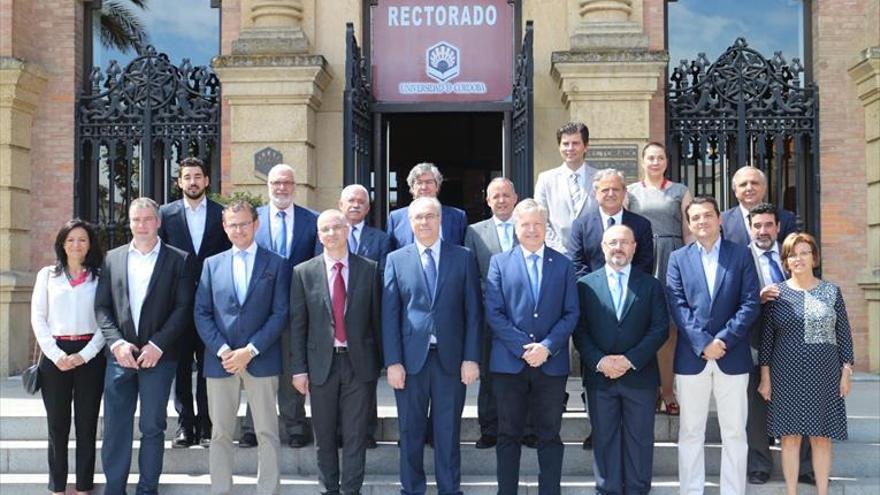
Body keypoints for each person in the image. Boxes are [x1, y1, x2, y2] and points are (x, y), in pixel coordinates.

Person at [382, 196, 482, 495]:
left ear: (440, 220)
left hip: (451, 361)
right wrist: (393, 362)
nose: (424, 222)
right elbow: (390, 315)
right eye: (418, 218)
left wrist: (471, 358)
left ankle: (449, 489)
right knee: (410, 432)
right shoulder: (396, 260)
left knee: (448, 432)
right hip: (410, 363)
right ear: (410, 223)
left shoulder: (463, 257)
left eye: (429, 217)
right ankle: (412, 489)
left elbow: (474, 313)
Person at [95, 197, 194, 495]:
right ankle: (115, 489)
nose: (142, 225)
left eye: (148, 219)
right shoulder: (113, 258)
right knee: (116, 428)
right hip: (120, 358)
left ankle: (147, 490)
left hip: (158, 359)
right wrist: (116, 344)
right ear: (129, 222)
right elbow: (102, 308)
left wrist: (158, 345)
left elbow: (183, 307)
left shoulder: (179, 259)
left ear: (158, 221)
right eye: (136, 220)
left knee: (152, 427)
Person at [665, 196, 760, 495]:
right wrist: (703, 342)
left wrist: (723, 340)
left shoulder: (741, 255)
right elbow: (677, 306)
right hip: (692, 357)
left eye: (708, 216)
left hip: (732, 356)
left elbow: (749, 302)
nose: (702, 222)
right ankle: (691, 490)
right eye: (696, 218)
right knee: (691, 431)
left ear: (720, 219)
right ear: (689, 224)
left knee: (734, 431)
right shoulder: (678, 258)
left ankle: (733, 490)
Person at [194, 199, 288, 495]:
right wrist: (223, 351)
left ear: (255, 225)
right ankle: (221, 490)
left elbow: (280, 313)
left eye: (244, 224)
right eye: (232, 225)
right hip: (220, 361)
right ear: (224, 228)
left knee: (267, 433)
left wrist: (251, 350)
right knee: (220, 432)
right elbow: (202, 312)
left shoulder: (276, 263)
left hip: (261, 358)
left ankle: (268, 491)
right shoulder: (212, 264)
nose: (238, 230)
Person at [484, 198, 579, 494]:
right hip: (509, 365)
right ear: (515, 227)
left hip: (551, 365)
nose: (532, 230)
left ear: (546, 227)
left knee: (549, 434)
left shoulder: (563, 265)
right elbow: (493, 312)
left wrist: (547, 347)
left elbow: (571, 312)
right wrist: (525, 348)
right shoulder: (499, 262)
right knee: (508, 434)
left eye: (538, 224)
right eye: (525, 224)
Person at [290, 209, 382, 495]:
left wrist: (384, 363)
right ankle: (328, 489)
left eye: (336, 228)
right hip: (321, 365)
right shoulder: (303, 272)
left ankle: (351, 490)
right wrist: (299, 368)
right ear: (319, 235)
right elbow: (298, 325)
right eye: (325, 229)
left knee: (355, 436)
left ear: (347, 230)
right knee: (325, 436)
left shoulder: (370, 268)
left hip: (359, 365)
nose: (331, 234)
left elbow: (378, 321)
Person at [574, 224, 669, 495]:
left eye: (625, 242)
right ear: (603, 247)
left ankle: (638, 490)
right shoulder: (585, 285)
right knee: (604, 439)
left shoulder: (650, 285)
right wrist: (600, 361)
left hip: (640, 377)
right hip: (600, 378)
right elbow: (579, 330)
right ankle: (607, 490)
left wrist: (629, 360)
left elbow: (660, 328)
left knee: (640, 440)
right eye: (613, 242)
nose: (618, 247)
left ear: (634, 248)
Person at [758, 232, 854, 495]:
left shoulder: (831, 292)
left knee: (821, 438)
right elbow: (767, 340)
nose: (798, 258)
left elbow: (843, 334)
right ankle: (792, 492)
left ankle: (822, 492)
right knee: (789, 438)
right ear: (786, 261)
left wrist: (846, 371)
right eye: (792, 254)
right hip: (785, 372)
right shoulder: (776, 295)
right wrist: (765, 377)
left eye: (803, 252)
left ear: (814, 257)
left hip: (824, 372)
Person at [242, 163, 320, 449]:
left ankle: (295, 425)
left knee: (292, 366)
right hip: (259, 309)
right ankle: (251, 426)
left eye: (287, 183)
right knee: (256, 365)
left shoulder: (312, 220)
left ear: (295, 186)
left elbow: (316, 267)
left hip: (296, 306)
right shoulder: (254, 219)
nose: (281, 188)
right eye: (276, 183)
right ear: (268, 185)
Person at [158, 156, 231, 447]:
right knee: (181, 364)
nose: (193, 182)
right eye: (187, 177)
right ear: (179, 182)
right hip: (179, 302)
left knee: (209, 364)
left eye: (198, 176)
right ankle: (185, 424)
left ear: (207, 180)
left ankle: (207, 423)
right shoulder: (166, 214)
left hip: (213, 304)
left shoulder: (221, 214)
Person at [30, 219, 106, 495]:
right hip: (55, 355)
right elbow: (38, 317)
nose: (77, 245)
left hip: (90, 355)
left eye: (82, 240)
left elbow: (105, 320)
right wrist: (55, 354)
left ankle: (84, 486)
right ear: (62, 244)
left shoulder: (100, 276)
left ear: (90, 245)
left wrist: (85, 355)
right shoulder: (47, 275)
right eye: (71, 240)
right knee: (57, 426)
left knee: (86, 425)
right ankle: (58, 487)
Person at [744, 203, 813, 485]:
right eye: (757, 225)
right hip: (755, 337)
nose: (763, 230)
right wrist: (757, 297)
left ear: (778, 227)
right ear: (750, 228)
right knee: (757, 402)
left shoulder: (791, 257)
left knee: (801, 400)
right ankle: (760, 465)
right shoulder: (740, 257)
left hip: (793, 340)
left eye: (768, 225)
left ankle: (805, 467)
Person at [626, 141, 692, 417]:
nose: (655, 162)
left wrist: (690, 263)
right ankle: (649, 390)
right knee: (644, 327)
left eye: (660, 157)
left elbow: (688, 230)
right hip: (643, 258)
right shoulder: (630, 192)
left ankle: (668, 390)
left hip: (673, 256)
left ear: (667, 161)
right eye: (650, 157)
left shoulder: (680, 190)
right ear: (643, 161)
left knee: (671, 329)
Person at [463, 177, 520, 449]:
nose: (501, 200)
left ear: (515, 198)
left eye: (506, 195)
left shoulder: (528, 227)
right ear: (488, 200)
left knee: (526, 372)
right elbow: (471, 275)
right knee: (489, 374)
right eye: (495, 196)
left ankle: (528, 428)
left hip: (523, 314)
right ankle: (489, 429)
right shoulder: (474, 232)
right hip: (488, 314)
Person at [338, 183, 392, 449]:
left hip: (365, 319)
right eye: (350, 200)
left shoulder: (380, 239)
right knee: (334, 378)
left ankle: (367, 431)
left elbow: (383, 278)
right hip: (333, 318)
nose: (355, 204)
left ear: (368, 208)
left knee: (365, 376)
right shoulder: (328, 234)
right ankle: (338, 430)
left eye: (361, 201)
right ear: (341, 205)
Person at [568, 168, 654, 278]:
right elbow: (576, 263)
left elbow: (645, 263)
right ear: (595, 193)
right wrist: (595, 287)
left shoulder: (642, 225)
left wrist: (624, 284)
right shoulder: (581, 225)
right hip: (591, 292)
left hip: (631, 290)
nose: (611, 194)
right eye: (605, 190)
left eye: (616, 189)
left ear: (624, 192)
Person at [534, 122, 597, 256]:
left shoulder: (600, 178)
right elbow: (541, 219)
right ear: (559, 147)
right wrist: (559, 250)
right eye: (565, 144)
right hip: (558, 255)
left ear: (586, 146)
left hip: (594, 256)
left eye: (575, 143)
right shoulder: (545, 179)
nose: (570, 148)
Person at [386, 162, 468, 249]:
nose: (424, 187)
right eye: (419, 182)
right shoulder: (395, 218)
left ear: (437, 187)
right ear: (412, 188)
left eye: (429, 182)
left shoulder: (457, 217)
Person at [721, 166, 796, 246]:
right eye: (743, 184)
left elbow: (790, 252)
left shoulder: (786, 218)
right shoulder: (722, 221)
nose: (749, 188)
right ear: (735, 191)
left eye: (754, 183)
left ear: (764, 188)